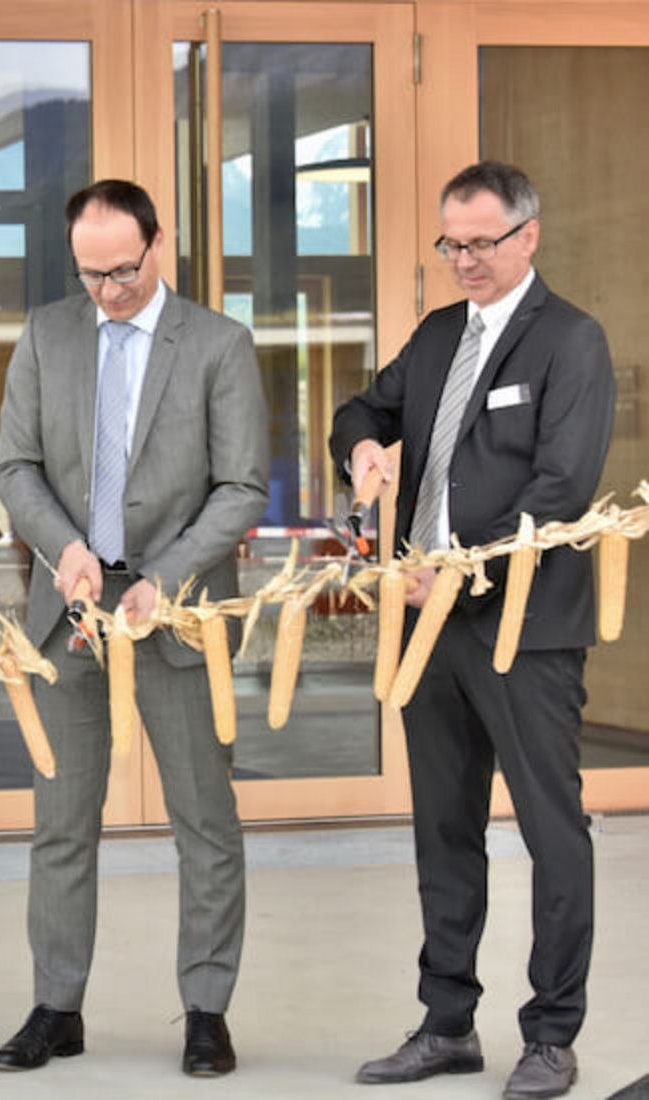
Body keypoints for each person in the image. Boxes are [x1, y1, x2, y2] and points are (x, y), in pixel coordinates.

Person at [330, 161, 615, 1100]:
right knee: (443, 828)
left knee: (550, 828)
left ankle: (551, 1034)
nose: (463, 261)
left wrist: (455, 567)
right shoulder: (439, 333)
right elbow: (363, 408)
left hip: (523, 627)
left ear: (528, 235)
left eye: (481, 243)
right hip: (430, 628)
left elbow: (560, 489)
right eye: (451, 244)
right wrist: (364, 446)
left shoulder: (570, 342)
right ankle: (446, 1023)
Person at [0, 179, 269, 1077]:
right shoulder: (46, 335)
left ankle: (206, 1008)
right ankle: (55, 1006)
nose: (106, 290)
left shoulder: (220, 344)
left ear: (159, 245)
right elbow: (17, 466)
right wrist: (65, 547)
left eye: (121, 270)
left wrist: (166, 576)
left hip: (176, 613)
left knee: (204, 817)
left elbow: (241, 488)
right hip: (68, 610)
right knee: (61, 822)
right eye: (89, 273)